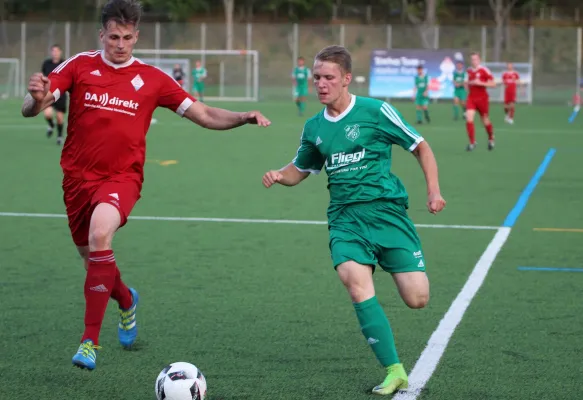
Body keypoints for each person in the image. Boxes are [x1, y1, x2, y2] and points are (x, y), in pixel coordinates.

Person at [21, 0, 270, 371]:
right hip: (76, 179)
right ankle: (126, 300)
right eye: (113, 37)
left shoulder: (153, 79)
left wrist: (242, 117)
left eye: (127, 37)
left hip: (122, 178)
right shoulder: (79, 65)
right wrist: (36, 98)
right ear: (101, 34)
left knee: (100, 237)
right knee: (92, 258)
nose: (119, 44)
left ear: (137, 36)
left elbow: (202, 114)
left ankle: (89, 341)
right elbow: (32, 106)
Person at [262, 45, 446, 396]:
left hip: (387, 213)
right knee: (353, 281)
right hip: (346, 218)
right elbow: (302, 168)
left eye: (328, 77)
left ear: (346, 79)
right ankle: (394, 370)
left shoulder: (375, 111)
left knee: (417, 298)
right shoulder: (314, 126)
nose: (320, 84)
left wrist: (433, 191)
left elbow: (420, 146)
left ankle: (398, 264)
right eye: (316, 77)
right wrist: (278, 175)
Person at [465, 52, 496, 151]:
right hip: (471, 98)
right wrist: (467, 84)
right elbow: (466, 83)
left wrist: (480, 83)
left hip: (482, 99)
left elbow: (493, 84)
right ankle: (472, 142)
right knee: (469, 118)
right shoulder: (468, 71)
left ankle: (491, 138)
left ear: (479, 60)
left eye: (475, 59)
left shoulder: (484, 70)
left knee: (485, 120)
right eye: (472, 59)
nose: (473, 61)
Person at [41, 44, 67, 145]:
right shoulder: (46, 63)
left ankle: (60, 136)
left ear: (60, 52)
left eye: (57, 51)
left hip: (61, 94)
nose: (55, 53)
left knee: (60, 118)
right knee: (47, 114)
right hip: (49, 93)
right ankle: (51, 125)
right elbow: (43, 76)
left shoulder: (64, 63)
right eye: (53, 51)